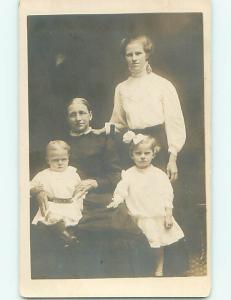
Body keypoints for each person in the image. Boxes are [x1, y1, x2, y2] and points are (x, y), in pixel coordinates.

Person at [31, 97, 153, 279]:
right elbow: (42, 172)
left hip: (98, 195)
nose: (78, 118)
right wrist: (39, 190)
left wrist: (94, 182)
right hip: (64, 197)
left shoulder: (103, 140)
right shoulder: (59, 143)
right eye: (73, 114)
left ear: (90, 115)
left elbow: (115, 175)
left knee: (120, 229)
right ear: (67, 118)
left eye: (82, 113)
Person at [95, 34, 186, 181]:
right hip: (134, 146)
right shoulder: (121, 88)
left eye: (138, 53)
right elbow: (118, 122)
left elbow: (175, 123)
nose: (134, 58)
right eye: (129, 54)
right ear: (125, 57)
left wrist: (172, 158)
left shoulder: (163, 85)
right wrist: (98, 131)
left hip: (158, 146)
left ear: (147, 54)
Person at [107, 133, 184, 276]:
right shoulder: (129, 174)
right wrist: (117, 200)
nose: (143, 156)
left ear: (153, 154)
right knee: (140, 244)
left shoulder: (159, 174)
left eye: (147, 153)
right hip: (138, 215)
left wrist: (168, 214)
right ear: (132, 155)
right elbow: (121, 189)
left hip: (155, 215)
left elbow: (168, 195)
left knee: (157, 244)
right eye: (138, 153)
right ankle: (142, 270)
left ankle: (159, 268)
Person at [30, 140, 84, 245]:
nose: (60, 163)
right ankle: (65, 236)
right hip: (52, 205)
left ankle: (69, 237)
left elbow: (79, 189)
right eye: (55, 160)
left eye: (63, 159)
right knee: (53, 218)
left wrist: (78, 198)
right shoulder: (43, 175)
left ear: (68, 158)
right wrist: (36, 190)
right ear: (48, 160)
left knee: (71, 221)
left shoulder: (72, 173)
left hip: (69, 204)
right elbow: (30, 185)